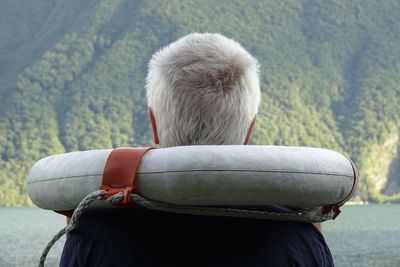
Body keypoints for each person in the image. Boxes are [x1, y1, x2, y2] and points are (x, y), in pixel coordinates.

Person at [60, 33, 333, 267]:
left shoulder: (94, 232)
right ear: (249, 129)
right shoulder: (295, 238)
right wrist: (310, 226)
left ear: (153, 123)